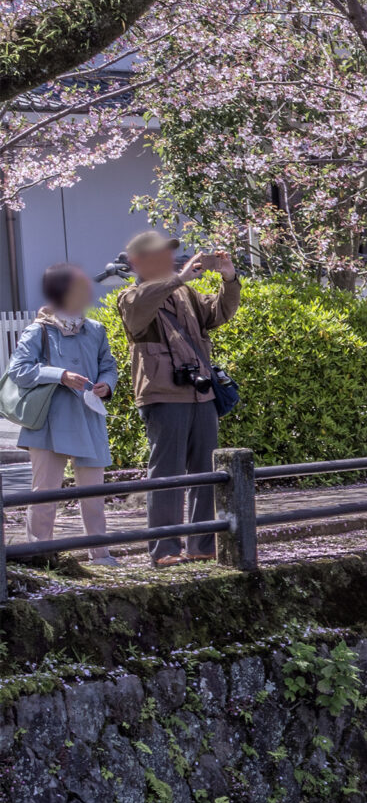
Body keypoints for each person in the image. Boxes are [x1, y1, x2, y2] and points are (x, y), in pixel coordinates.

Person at [116, 230, 238, 565]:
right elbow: (141, 305)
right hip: (163, 394)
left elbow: (218, 314)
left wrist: (229, 279)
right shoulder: (131, 297)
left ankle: (202, 545)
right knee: (166, 474)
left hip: (200, 393)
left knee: (205, 472)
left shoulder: (186, 293)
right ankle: (164, 550)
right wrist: (179, 279)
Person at [9, 263, 119, 560]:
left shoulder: (95, 329)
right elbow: (17, 371)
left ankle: (100, 554)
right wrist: (60, 375)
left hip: (89, 417)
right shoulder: (38, 330)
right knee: (44, 492)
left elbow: (109, 365)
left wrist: (107, 386)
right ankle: (40, 553)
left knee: (93, 493)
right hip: (48, 421)